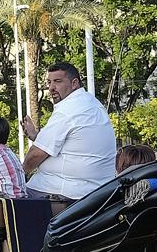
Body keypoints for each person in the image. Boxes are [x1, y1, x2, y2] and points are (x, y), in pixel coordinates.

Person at [21, 61, 117, 200]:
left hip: (63, 190)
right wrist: (37, 137)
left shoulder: (68, 110)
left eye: (58, 81)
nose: (52, 88)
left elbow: (36, 155)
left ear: (74, 83)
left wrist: (18, 175)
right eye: (49, 82)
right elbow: (75, 145)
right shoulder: (92, 104)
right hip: (95, 190)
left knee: (3, 201)